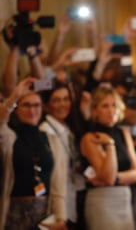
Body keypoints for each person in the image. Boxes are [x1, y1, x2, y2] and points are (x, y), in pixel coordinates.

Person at [0, 78, 67, 230]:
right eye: (26, 105)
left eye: (36, 105)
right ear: (17, 109)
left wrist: (61, 217)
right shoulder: (8, 136)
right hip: (14, 212)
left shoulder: (50, 138)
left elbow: (58, 184)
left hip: (45, 210)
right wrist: (14, 97)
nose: (32, 110)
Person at [80, 84, 136, 230]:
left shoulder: (124, 133)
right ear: (95, 110)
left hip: (125, 199)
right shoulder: (91, 138)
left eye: (114, 105)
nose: (111, 110)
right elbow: (107, 176)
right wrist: (110, 145)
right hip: (102, 201)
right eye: (105, 106)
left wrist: (116, 179)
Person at [39, 81, 85, 229]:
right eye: (56, 100)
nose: (63, 104)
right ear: (46, 106)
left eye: (66, 99)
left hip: (71, 198)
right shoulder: (46, 131)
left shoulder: (66, 128)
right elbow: (56, 176)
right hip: (57, 207)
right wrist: (60, 215)